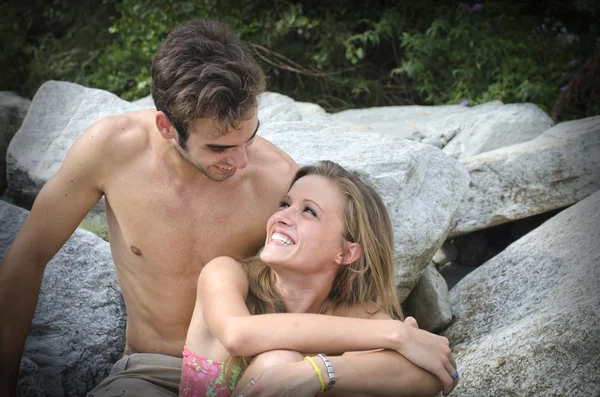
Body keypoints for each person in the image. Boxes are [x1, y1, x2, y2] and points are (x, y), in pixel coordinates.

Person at [0, 19, 455, 397]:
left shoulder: (280, 182)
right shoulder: (110, 150)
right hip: (150, 369)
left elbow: (334, 284)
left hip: (260, 367)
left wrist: (350, 356)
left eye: (249, 136)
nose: (240, 162)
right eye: (219, 147)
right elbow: (28, 256)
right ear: (166, 126)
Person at [181, 161, 458, 397]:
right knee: (279, 361)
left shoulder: (355, 314)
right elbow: (238, 335)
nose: (282, 216)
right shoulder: (224, 274)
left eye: (308, 211)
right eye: (285, 204)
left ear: (346, 252)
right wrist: (398, 334)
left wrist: (320, 371)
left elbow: (432, 375)